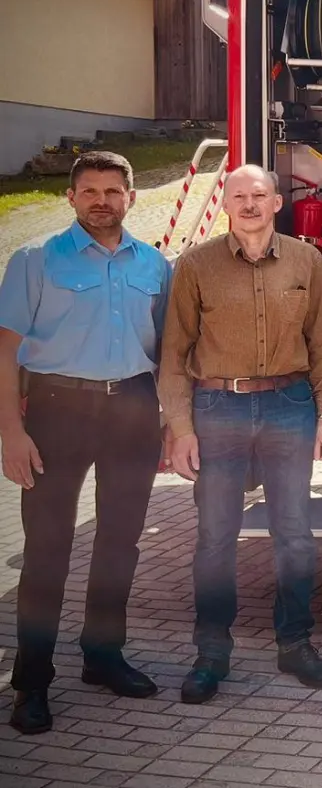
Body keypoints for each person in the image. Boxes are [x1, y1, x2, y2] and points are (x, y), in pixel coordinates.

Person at [0, 152, 170, 734]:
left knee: (120, 544)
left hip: (133, 408)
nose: (102, 200)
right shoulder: (35, 260)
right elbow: (5, 351)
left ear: (130, 197)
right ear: (70, 197)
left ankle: (102, 657)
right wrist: (11, 433)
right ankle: (32, 682)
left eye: (113, 191)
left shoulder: (155, 264)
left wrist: (169, 422)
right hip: (56, 409)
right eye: (90, 190)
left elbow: (167, 352)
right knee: (47, 552)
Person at [159, 164, 322, 704]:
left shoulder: (308, 260)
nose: (250, 205)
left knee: (295, 533)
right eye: (239, 196)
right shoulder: (196, 265)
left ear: (277, 202)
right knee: (215, 537)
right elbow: (174, 354)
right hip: (218, 407)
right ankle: (211, 652)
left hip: (289, 405)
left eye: (259, 195)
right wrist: (181, 428)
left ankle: (296, 642)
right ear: (225, 204)